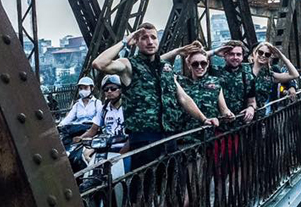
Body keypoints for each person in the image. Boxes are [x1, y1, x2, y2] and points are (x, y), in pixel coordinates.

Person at [92, 22, 217, 170]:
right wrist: (125, 41)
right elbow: (99, 63)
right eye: (144, 38)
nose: (150, 41)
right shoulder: (129, 65)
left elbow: (183, 98)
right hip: (144, 140)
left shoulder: (165, 67)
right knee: (144, 189)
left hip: (169, 136)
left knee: (172, 186)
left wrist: (203, 119)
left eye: (153, 37)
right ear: (137, 42)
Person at [177, 42, 234, 131]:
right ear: (189, 65)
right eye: (195, 64)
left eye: (203, 63)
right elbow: (161, 65)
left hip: (210, 134)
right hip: (187, 135)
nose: (199, 67)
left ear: (207, 64)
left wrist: (228, 114)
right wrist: (177, 51)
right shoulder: (180, 82)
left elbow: (224, 109)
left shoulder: (215, 82)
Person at [74, 75, 127, 165]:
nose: (109, 91)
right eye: (106, 90)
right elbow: (93, 129)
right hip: (107, 144)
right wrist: (80, 138)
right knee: (85, 156)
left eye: (113, 88)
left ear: (120, 89)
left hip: (124, 143)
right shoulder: (104, 109)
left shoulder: (127, 108)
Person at [212, 40, 257, 124]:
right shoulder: (215, 72)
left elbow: (252, 101)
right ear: (224, 56)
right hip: (220, 125)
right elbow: (197, 57)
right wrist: (215, 52)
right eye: (231, 54)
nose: (235, 57)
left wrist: (251, 108)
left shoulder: (247, 75)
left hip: (241, 124)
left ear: (243, 57)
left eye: (238, 54)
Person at [251, 41, 299, 114]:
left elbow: (294, 75)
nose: (263, 55)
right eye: (260, 52)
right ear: (255, 52)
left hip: (262, 114)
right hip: (245, 115)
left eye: (267, 54)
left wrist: (281, 56)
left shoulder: (269, 74)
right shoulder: (245, 70)